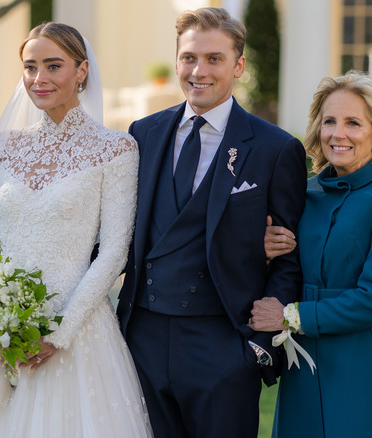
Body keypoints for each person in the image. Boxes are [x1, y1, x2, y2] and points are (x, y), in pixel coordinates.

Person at [0, 22, 153, 437]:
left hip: (76, 331)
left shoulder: (117, 149)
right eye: (30, 66)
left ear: (82, 70)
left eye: (53, 66)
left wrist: (61, 331)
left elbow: (114, 251)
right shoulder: (5, 145)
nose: (39, 79)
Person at [115, 7, 307, 437]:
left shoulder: (276, 148)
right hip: (142, 338)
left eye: (214, 59)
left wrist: (258, 348)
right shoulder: (142, 133)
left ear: (238, 66)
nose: (199, 70)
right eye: (189, 58)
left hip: (223, 344)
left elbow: (292, 257)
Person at [251, 71, 372, 437]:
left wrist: (289, 315)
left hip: (366, 359)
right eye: (329, 121)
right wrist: (264, 252)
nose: (337, 133)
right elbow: (286, 268)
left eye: (353, 123)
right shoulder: (303, 193)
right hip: (305, 363)